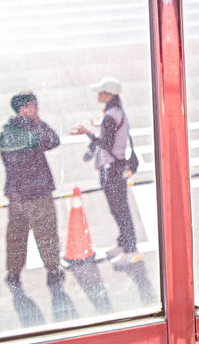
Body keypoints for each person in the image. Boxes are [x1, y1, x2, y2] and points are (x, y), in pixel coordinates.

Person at [0, 91, 66, 288]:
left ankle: (13, 273)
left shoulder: (7, 131)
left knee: (16, 236)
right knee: (46, 233)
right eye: (34, 106)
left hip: (16, 195)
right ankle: (53, 271)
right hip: (37, 193)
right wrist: (38, 122)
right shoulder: (31, 130)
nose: (37, 109)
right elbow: (53, 140)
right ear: (24, 109)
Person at [72, 77, 140, 265]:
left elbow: (106, 143)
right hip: (116, 168)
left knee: (120, 210)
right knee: (118, 209)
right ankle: (124, 243)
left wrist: (87, 133)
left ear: (109, 94)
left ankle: (130, 249)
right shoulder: (115, 112)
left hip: (112, 170)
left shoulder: (110, 116)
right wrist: (99, 126)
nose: (98, 95)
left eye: (101, 92)